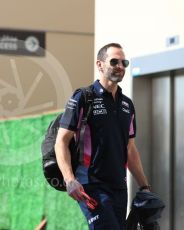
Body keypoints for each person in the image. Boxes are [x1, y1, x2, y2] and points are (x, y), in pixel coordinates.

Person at [55, 43, 150, 230]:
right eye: (114, 61)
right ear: (99, 65)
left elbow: (130, 149)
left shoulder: (127, 105)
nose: (120, 66)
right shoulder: (83, 97)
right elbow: (61, 142)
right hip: (91, 185)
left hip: (119, 187)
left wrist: (145, 187)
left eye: (124, 62)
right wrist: (69, 180)